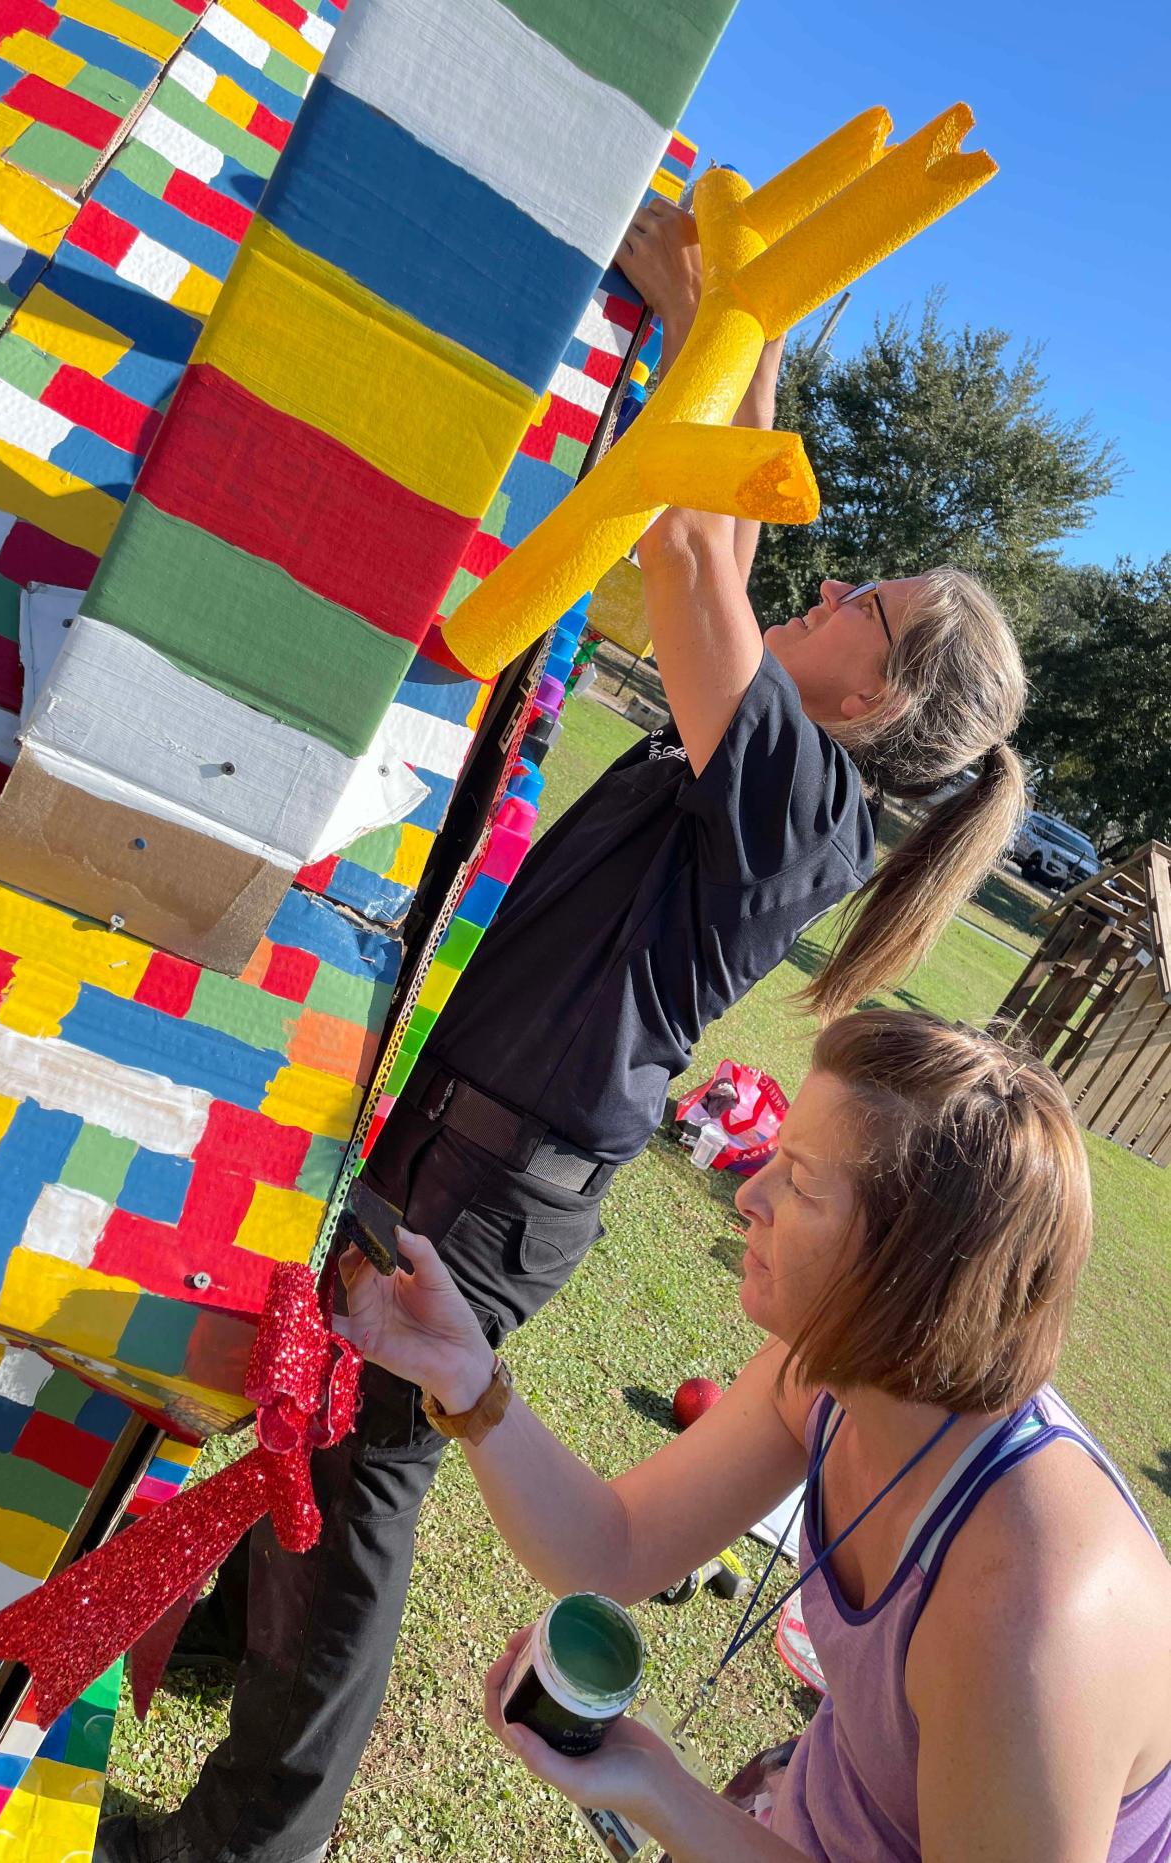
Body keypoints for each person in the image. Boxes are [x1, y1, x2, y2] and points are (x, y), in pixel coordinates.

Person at [97, 205, 1028, 1862]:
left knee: (359, 1477)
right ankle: (217, 1646)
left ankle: (255, 1836)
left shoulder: (800, 799)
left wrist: (713, 330)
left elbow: (685, 547)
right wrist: (732, 324)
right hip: (476, 1136)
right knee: (319, 1418)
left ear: (874, 697)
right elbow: (725, 549)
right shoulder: (768, 754)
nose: (821, 586)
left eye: (859, 602)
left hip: (492, 1174)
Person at [335, 1009, 1171, 1862]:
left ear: (914, 1270)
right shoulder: (834, 1373)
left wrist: (662, 1790)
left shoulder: (1038, 1614)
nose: (748, 1195)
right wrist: (465, 1376)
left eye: (801, 1184)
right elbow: (616, 1546)